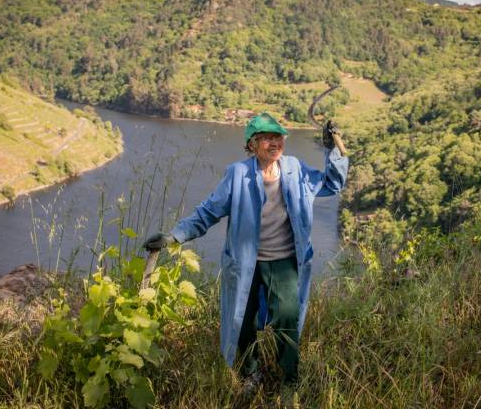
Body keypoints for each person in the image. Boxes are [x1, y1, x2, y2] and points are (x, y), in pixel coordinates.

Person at [144, 112, 348, 394]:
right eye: (266, 138)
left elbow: (332, 185)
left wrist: (333, 150)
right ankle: (251, 373)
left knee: (286, 319)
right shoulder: (238, 174)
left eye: (277, 137)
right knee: (243, 320)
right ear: (251, 144)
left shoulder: (295, 169)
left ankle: (289, 379)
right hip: (246, 264)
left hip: (286, 262)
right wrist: (174, 236)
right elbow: (208, 212)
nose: (274, 142)